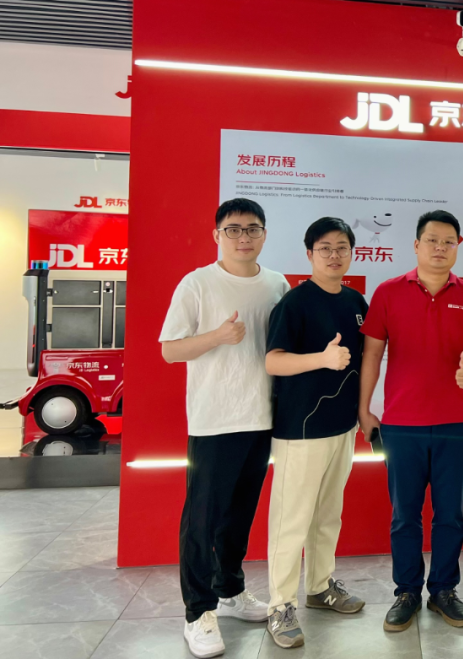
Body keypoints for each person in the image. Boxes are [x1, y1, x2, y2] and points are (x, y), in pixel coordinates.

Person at [160, 198, 290, 659]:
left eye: (252, 229)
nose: (243, 237)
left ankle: (230, 590)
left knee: (240, 515)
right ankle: (198, 612)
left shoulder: (277, 283)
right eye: (233, 229)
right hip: (215, 420)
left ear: (264, 235)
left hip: (262, 418)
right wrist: (216, 336)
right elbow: (169, 350)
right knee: (203, 520)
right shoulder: (197, 283)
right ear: (217, 235)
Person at [359, 210, 463, 632]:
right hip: (401, 424)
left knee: (449, 514)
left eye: (448, 241)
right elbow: (372, 354)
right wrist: (364, 408)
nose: (440, 248)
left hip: (458, 423)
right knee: (405, 515)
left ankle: (444, 590)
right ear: (416, 245)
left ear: (458, 247)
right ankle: (407, 591)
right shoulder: (388, 292)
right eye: (432, 240)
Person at [263, 217, 369, 648]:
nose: (334, 255)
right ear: (309, 254)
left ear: (352, 253)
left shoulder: (356, 300)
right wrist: (321, 360)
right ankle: (280, 605)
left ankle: (320, 587)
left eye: (342, 247)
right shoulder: (295, 303)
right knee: (291, 520)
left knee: (328, 515)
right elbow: (273, 361)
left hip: (341, 427)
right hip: (301, 430)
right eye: (324, 248)